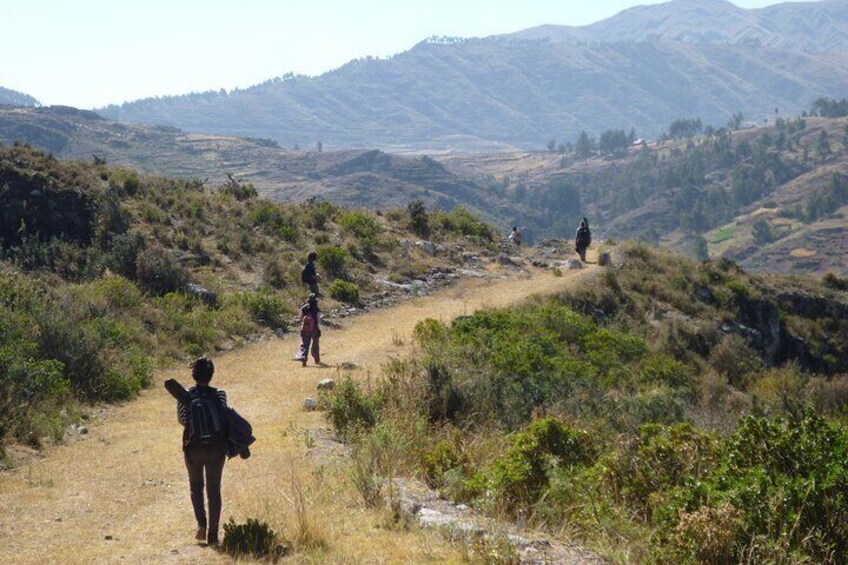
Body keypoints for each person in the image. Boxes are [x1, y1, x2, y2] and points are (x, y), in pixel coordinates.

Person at [177, 357, 228, 546]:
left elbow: (182, 419)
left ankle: (201, 524)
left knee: (196, 486)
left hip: (193, 448)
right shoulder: (220, 394)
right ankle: (214, 534)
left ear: (193, 375)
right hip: (216, 449)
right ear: (211, 375)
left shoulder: (185, 395)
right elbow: (224, 418)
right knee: (214, 490)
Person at [295, 294, 321, 367]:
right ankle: (317, 360)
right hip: (315, 329)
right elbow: (318, 319)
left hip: (305, 329)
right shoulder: (317, 308)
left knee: (304, 344)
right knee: (315, 344)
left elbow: (300, 318)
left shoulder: (304, 308)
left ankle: (304, 360)